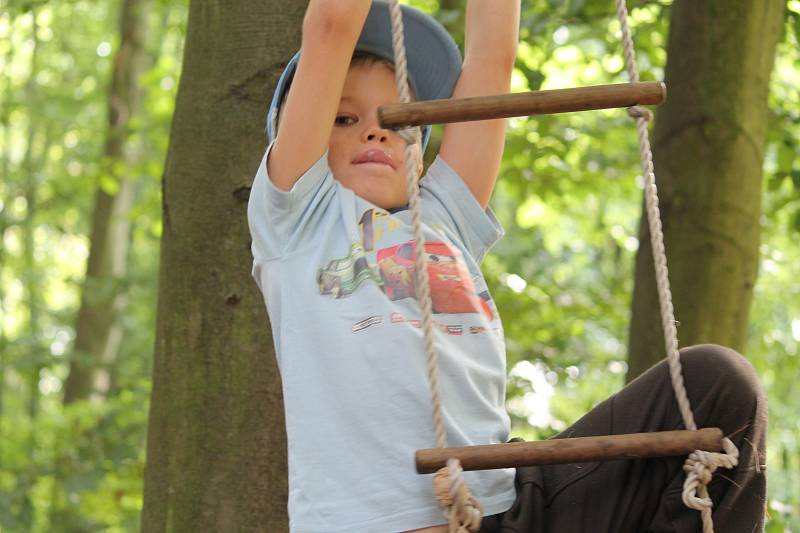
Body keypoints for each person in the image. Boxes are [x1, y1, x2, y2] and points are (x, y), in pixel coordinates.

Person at [247, 1, 767, 532]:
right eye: (344, 118)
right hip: (385, 521)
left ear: (421, 156)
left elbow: (492, 59)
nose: (377, 132)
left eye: (397, 119)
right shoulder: (300, 221)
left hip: (504, 505)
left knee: (719, 382)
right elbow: (332, 27)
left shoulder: (445, 219)